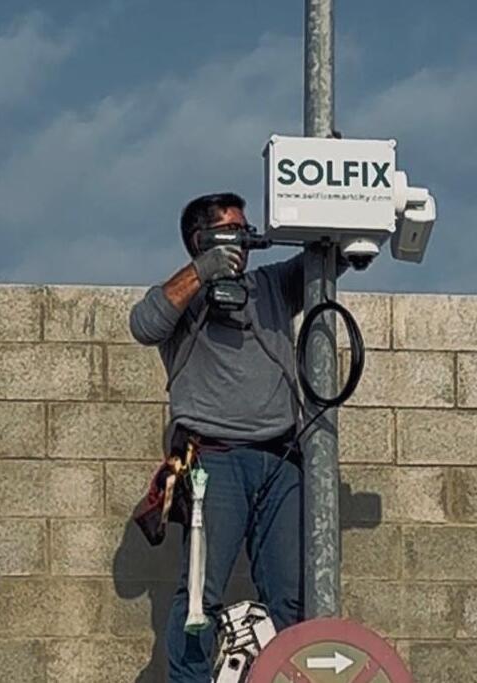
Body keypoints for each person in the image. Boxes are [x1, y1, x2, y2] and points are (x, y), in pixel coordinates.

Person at [128, 191, 345, 681]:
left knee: (291, 594)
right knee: (200, 597)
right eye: (230, 231)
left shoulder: (270, 284)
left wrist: (346, 229)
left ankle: (283, 676)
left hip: (281, 459)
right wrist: (203, 271)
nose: (242, 241)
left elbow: (324, 263)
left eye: (245, 231)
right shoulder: (186, 298)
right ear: (200, 239)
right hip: (213, 460)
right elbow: (143, 324)